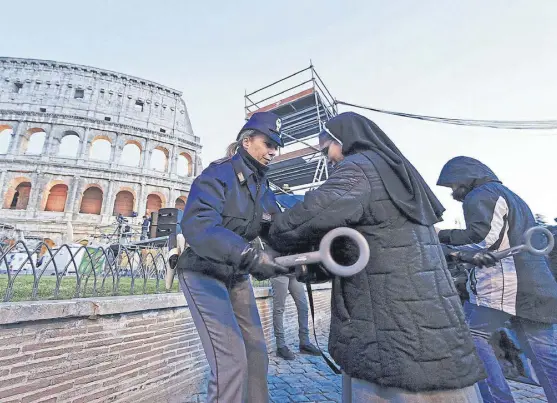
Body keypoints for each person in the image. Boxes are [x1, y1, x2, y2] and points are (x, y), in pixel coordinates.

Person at [267, 112, 485, 402]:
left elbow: (307, 218)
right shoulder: (394, 172)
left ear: (342, 140)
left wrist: (270, 226)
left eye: (326, 149)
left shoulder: (359, 169)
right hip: (423, 315)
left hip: (389, 319)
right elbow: (376, 239)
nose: (328, 159)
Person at [176, 111, 289, 403]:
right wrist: (250, 256)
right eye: (268, 144)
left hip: (236, 273)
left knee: (256, 353)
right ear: (247, 141)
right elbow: (198, 226)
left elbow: (278, 229)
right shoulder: (218, 173)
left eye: (277, 146)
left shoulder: (262, 186)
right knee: (231, 362)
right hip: (202, 271)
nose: (273, 152)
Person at [436, 156, 557, 403]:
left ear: (463, 177)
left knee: (471, 338)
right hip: (536, 286)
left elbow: (484, 241)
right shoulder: (511, 196)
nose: (452, 192)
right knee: (544, 355)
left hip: (505, 286)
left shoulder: (480, 194)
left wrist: (442, 237)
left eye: (452, 186)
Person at [270, 273, 321, 360]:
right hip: (278, 271)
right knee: (279, 310)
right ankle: (280, 346)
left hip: (293, 272)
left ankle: (304, 343)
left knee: (303, 307)